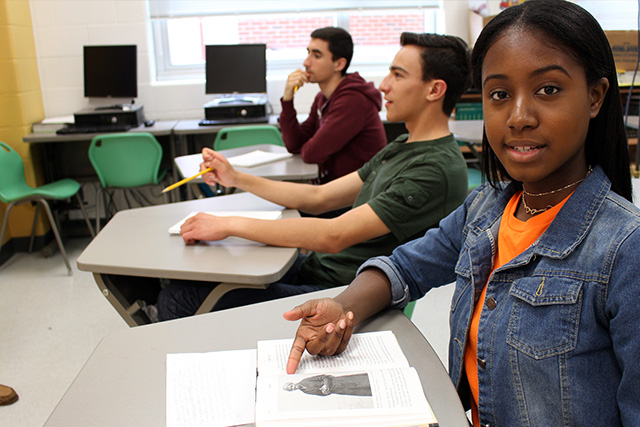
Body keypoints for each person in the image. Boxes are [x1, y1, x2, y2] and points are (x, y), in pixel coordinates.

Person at [283, 1, 640, 426]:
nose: (519, 117)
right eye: (500, 95)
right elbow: (404, 267)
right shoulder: (486, 208)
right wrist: (342, 310)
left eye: (548, 89)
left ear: (596, 97)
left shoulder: (625, 248)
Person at [157, 32, 472, 321]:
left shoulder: (435, 168)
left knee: (178, 299)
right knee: (192, 277)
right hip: (321, 270)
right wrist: (235, 177)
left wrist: (227, 224)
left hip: (343, 294)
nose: (383, 84)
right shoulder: (404, 145)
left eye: (397, 75)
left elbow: (333, 236)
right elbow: (319, 198)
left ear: (435, 89)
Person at [280, 27, 387, 185]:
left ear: (339, 64)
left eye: (316, 55)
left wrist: (309, 147)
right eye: (308, 53)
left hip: (359, 197)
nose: (306, 62)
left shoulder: (353, 101)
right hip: (335, 189)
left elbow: (311, 153)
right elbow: (294, 144)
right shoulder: (322, 98)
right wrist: (288, 99)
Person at [283, 373, 372, 397]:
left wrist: (325, 385)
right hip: (337, 390)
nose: (293, 388)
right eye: (291, 389)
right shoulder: (305, 391)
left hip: (338, 382)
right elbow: (321, 394)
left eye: (291, 386)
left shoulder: (305, 381)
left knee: (363, 381)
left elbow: (324, 377)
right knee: (362, 391)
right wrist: (325, 392)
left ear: (292, 383)